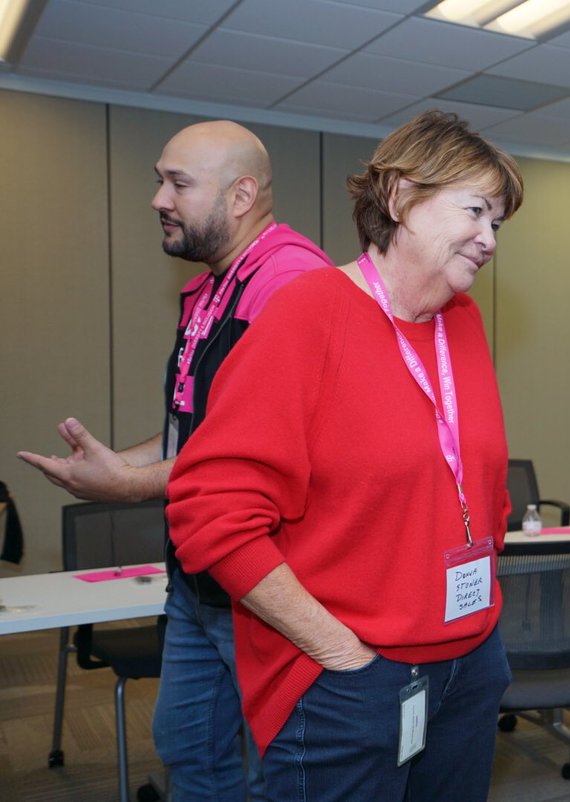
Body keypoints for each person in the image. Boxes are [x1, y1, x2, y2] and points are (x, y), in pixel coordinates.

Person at [165, 111, 522, 801]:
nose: (488, 239)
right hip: (352, 674)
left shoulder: (463, 323)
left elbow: (479, 483)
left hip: (470, 662)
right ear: (398, 199)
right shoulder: (309, 312)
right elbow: (209, 512)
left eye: (497, 223)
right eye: (476, 211)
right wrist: (342, 655)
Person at [17, 120, 329, 801]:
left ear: (242, 194)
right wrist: (110, 466)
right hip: (198, 582)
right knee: (190, 746)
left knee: (276, 770)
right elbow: (198, 433)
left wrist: (126, 487)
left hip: (261, 589)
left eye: (178, 183)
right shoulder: (216, 287)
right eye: (160, 179)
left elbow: (259, 461)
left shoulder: (290, 288)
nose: (158, 198)